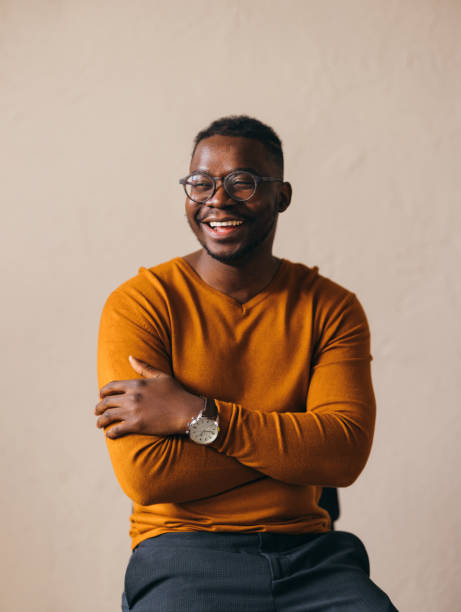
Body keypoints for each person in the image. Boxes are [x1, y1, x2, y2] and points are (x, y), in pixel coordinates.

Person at [95, 115, 398, 611]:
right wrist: (296, 448)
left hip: (313, 558)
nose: (217, 198)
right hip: (182, 553)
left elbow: (342, 454)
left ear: (282, 196)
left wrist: (196, 417)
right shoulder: (141, 303)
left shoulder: (331, 308)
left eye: (243, 182)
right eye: (201, 182)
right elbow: (149, 476)